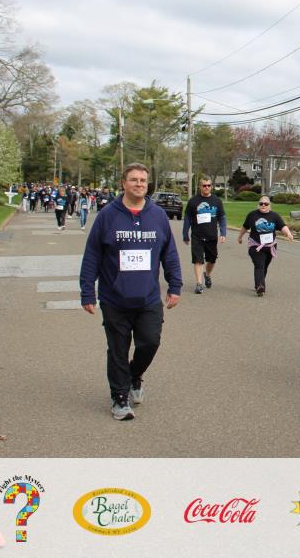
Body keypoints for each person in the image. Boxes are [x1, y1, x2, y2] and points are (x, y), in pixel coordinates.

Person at [79, 163, 182, 420]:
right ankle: (119, 398)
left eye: (143, 180)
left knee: (150, 342)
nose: (139, 184)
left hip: (148, 298)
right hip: (115, 298)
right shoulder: (107, 216)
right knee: (118, 350)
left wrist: (175, 285)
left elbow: (169, 253)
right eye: (134, 179)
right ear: (124, 183)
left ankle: (134, 375)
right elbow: (92, 255)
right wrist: (87, 292)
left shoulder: (158, 215)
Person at [237, 195, 293, 296]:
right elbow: (245, 227)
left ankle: (258, 284)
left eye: (266, 204)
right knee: (259, 265)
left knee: (264, 266)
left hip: (270, 246)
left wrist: (288, 234)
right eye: (261, 203)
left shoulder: (274, 216)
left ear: (269, 205)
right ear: (258, 204)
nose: (263, 205)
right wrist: (240, 237)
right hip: (255, 246)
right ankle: (260, 286)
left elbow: (282, 226)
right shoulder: (252, 215)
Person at [182, 178, 227, 294]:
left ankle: (207, 274)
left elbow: (222, 218)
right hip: (197, 236)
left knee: (212, 260)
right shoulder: (193, 201)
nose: (206, 187)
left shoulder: (217, 201)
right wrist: (185, 234)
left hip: (211, 236)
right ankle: (199, 284)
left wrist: (223, 233)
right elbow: (187, 218)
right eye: (204, 185)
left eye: (208, 185)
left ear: (211, 186)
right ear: (200, 187)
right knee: (198, 260)